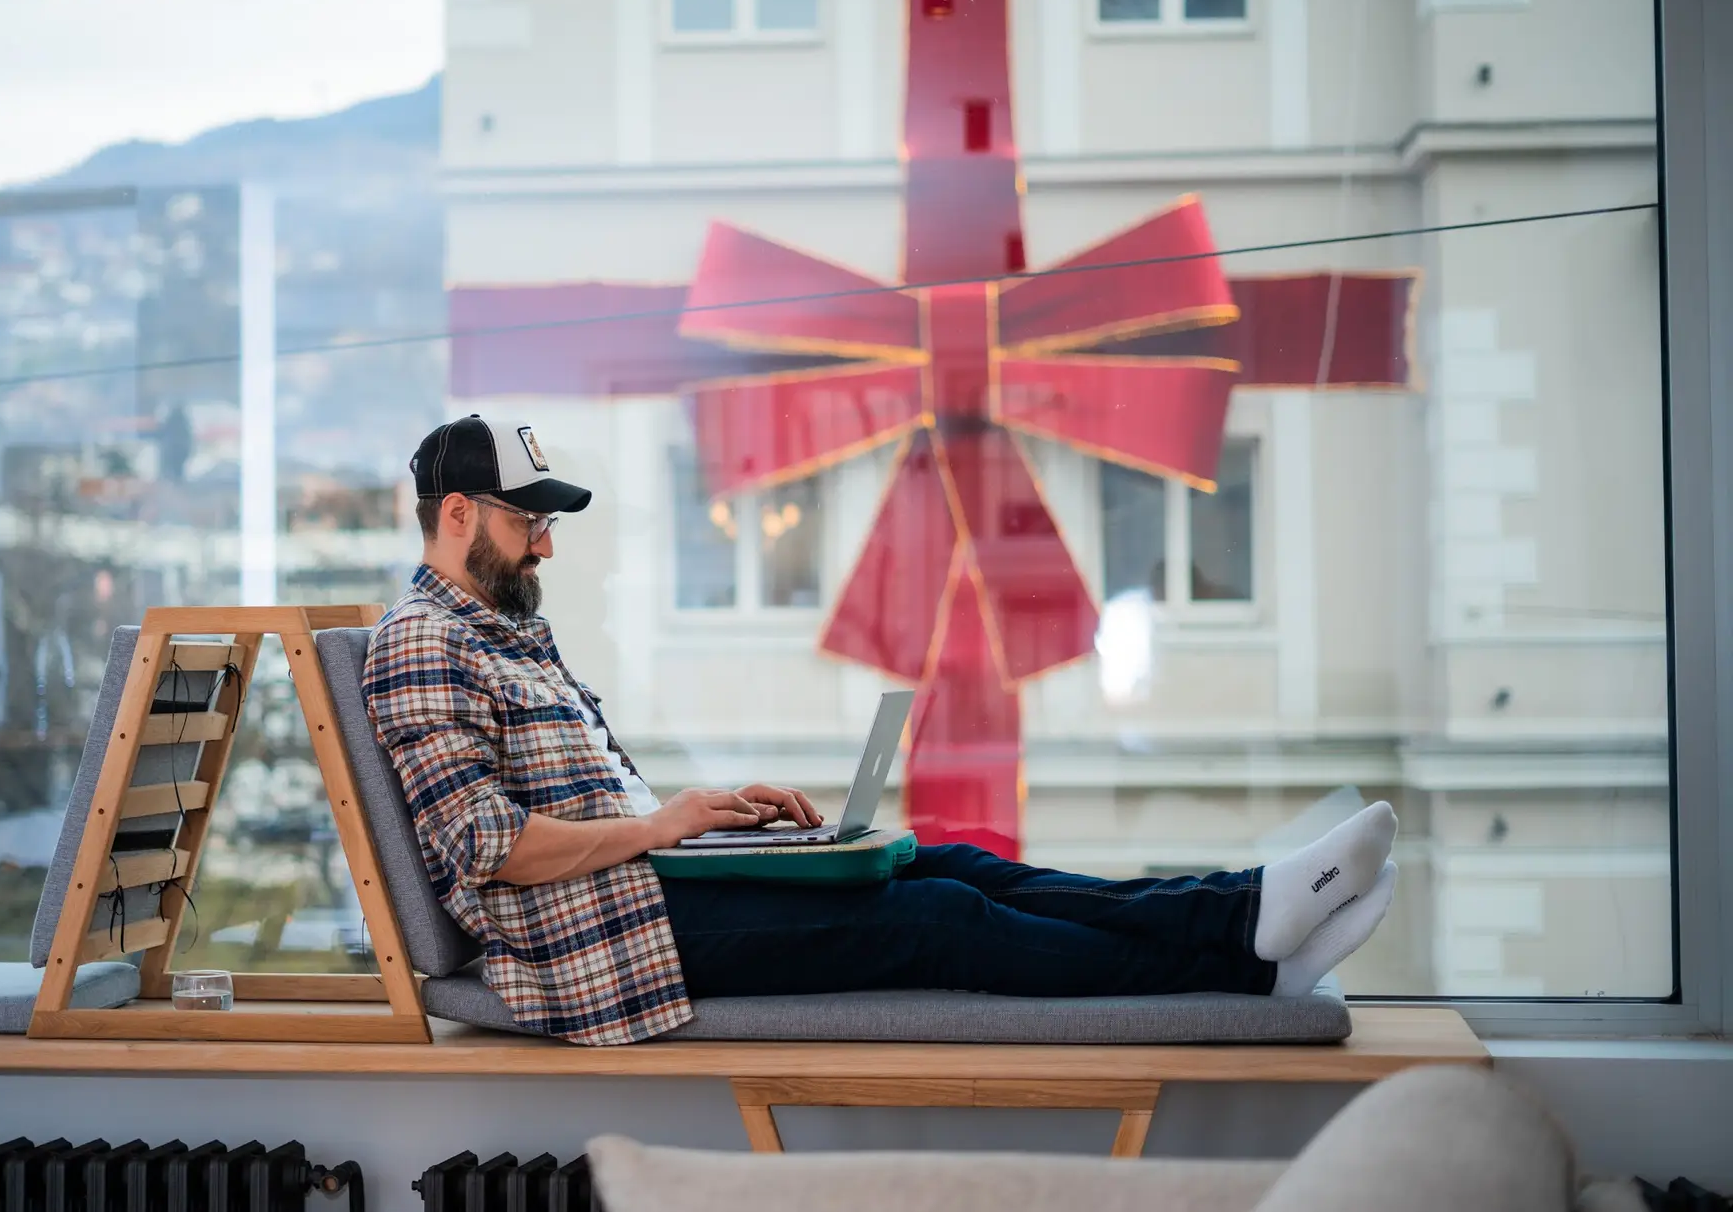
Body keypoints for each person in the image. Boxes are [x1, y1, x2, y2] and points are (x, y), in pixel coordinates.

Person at [364, 416, 1400, 1047]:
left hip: (646, 884)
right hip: (590, 942)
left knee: (943, 859)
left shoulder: (505, 634)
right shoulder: (422, 645)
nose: (545, 544)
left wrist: (716, 817)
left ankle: (1245, 916)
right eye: (526, 520)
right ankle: (1244, 970)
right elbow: (485, 847)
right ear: (456, 514)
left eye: (549, 524)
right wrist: (664, 827)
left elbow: (595, 807)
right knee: (938, 916)